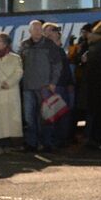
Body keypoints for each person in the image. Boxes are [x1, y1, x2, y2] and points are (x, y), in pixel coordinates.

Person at [18, 20, 65, 153]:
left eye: (40, 29)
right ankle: (31, 143)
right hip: (28, 87)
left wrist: (53, 82)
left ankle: (46, 143)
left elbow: (57, 65)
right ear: (30, 31)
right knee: (29, 117)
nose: (38, 31)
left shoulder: (49, 45)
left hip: (45, 87)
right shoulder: (24, 45)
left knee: (46, 117)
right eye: (35, 29)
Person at [0, 32, 24, 151]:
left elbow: (19, 72)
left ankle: (12, 145)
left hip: (10, 91)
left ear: (6, 43)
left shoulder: (15, 58)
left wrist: (9, 82)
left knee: (11, 119)